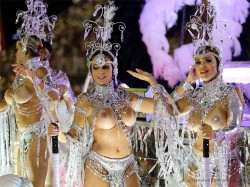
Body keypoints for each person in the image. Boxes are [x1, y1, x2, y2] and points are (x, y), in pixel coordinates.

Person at [127, 44, 245, 186]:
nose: (202, 65)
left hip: (221, 162)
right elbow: (166, 107)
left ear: (218, 64)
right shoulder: (195, 95)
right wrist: (155, 82)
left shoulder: (230, 93)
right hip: (194, 161)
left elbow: (234, 128)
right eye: (198, 62)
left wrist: (216, 134)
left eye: (208, 60)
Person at [0, 35, 60, 187]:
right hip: (19, 138)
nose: (15, 54)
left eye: (17, 50)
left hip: (36, 136)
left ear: (25, 50)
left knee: (35, 184)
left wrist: (32, 76)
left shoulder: (40, 70)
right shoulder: (18, 76)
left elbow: (54, 95)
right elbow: (8, 104)